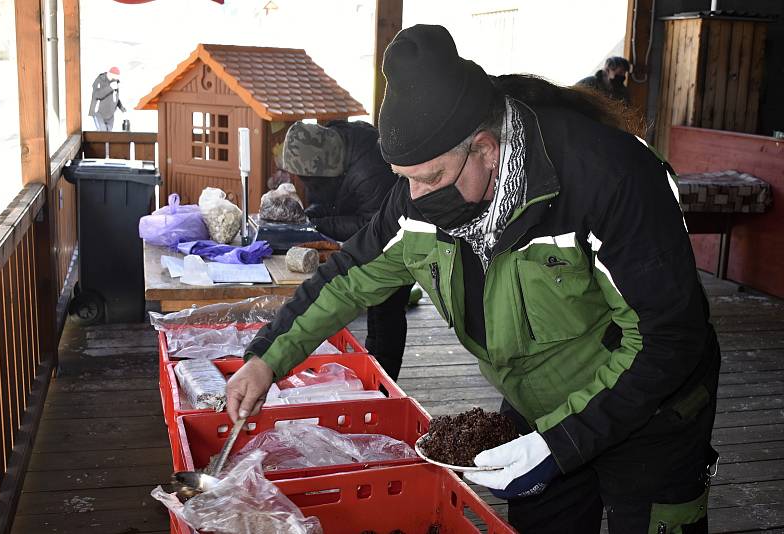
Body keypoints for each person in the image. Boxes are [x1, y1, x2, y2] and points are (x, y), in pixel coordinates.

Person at [227, 24, 720, 534]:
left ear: (485, 147)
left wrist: (563, 442)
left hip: (652, 411)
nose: (415, 198)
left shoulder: (609, 177)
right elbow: (348, 276)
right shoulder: (419, 197)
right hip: (540, 406)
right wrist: (267, 359)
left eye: (431, 178)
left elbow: (668, 338)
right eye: (404, 177)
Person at [280, 120, 414, 380]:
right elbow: (328, 201)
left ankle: (383, 382)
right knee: (374, 313)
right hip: (374, 240)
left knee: (386, 313)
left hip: (397, 248)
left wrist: (317, 223)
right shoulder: (329, 151)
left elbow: (372, 225)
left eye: (308, 179)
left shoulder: (369, 169)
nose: (306, 183)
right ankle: (371, 374)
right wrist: (307, 216)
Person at [88, 66, 126, 131]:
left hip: (110, 114)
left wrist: (121, 108)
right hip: (98, 113)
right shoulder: (100, 80)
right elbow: (96, 95)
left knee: (108, 135)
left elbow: (115, 97)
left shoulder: (115, 82)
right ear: (110, 74)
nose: (116, 79)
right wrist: (110, 87)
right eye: (115, 76)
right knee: (102, 132)